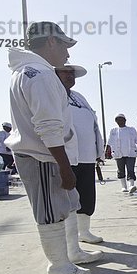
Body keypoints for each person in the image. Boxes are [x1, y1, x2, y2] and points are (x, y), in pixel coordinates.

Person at [5, 21, 93, 274]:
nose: (68, 54)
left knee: (62, 206)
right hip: (42, 156)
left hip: (47, 154)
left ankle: (69, 256)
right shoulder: (40, 75)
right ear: (52, 41)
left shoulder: (31, 71)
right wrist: (65, 168)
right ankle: (58, 265)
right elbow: (48, 127)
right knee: (50, 212)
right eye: (65, 46)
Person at [55, 64, 105, 245]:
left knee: (87, 198)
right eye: (65, 72)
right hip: (67, 157)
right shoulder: (53, 94)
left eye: (72, 73)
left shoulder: (79, 97)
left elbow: (94, 124)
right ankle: (70, 243)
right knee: (69, 201)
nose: (70, 76)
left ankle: (84, 232)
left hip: (87, 157)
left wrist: (99, 150)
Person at [106, 114, 137, 193]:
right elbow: (109, 141)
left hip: (131, 154)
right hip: (118, 154)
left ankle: (131, 186)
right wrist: (106, 151)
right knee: (120, 170)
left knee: (130, 169)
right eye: (118, 120)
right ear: (116, 121)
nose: (120, 121)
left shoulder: (131, 130)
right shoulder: (114, 130)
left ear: (125, 120)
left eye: (121, 119)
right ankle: (124, 187)